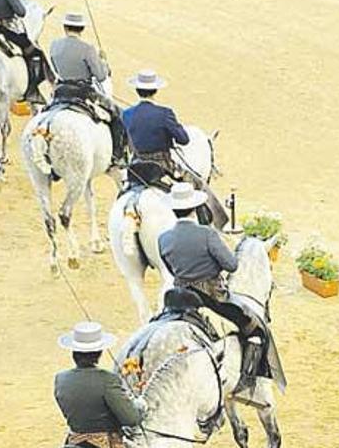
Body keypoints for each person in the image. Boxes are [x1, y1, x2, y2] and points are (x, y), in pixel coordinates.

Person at [157, 183, 267, 394]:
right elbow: (232, 265)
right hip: (212, 296)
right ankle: (247, 378)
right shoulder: (207, 234)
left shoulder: (163, 238)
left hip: (178, 295)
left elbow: (170, 269)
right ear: (195, 207)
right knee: (256, 329)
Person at [123, 70, 227, 227]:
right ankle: (209, 226)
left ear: (137, 91)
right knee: (197, 185)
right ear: (155, 90)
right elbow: (183, 139)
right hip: (162, 166)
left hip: (135, 168)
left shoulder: (127, 114)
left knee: (122, 194)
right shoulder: (164, 114)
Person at [50, 13, 126, 167]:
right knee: (118, 114)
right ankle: (117, 155)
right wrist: (103, 61)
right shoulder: (88, 49)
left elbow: (55, 67)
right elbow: (101, 76)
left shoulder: (54, 45)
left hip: (61, 90)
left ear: (65, 28)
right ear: (82, 29)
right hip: (83, 91)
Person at [55, 322, 145, 448]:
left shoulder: (60, 378)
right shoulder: (108, 379)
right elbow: (131, 419)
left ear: (74, 352)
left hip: (73, 440)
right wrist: (140, 405)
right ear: (99, 353)